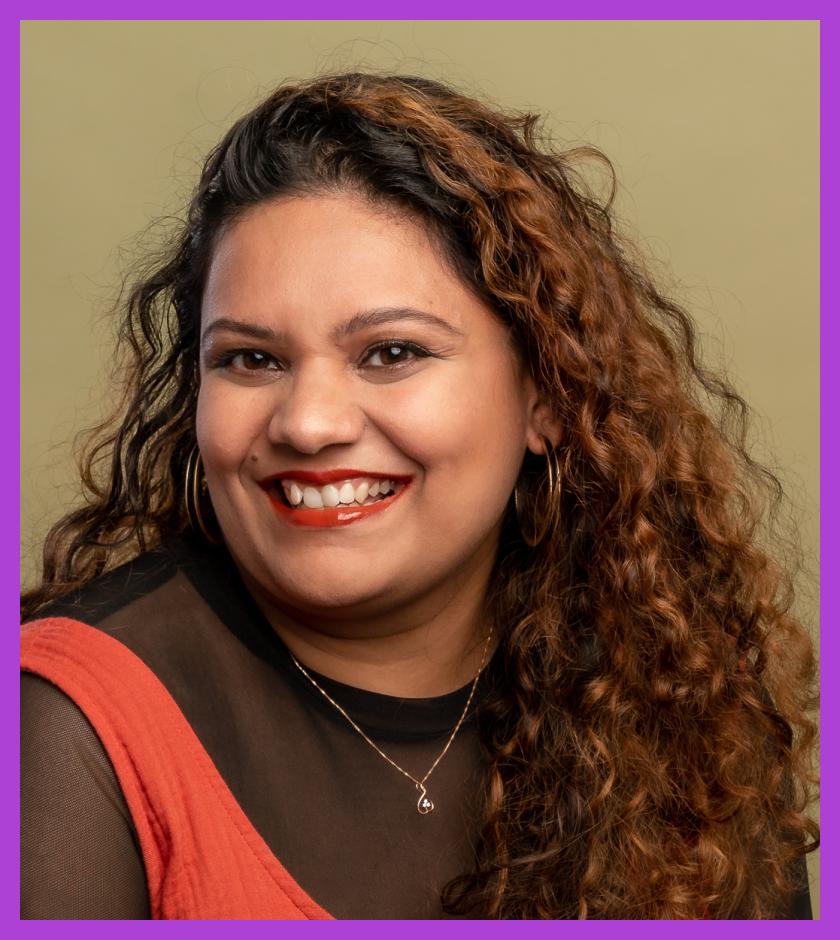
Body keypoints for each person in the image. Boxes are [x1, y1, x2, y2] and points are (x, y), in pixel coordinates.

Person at [20, 72, 818, 920]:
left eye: (392, 353)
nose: (309, 423)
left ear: (548, 395)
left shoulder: (678, 700)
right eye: (251, 359)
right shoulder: (62, 731)